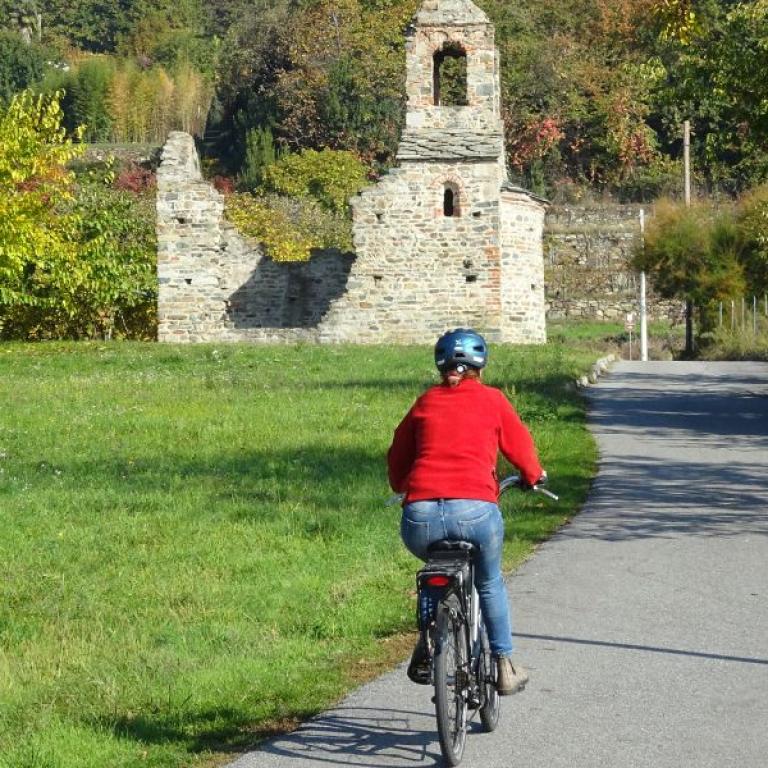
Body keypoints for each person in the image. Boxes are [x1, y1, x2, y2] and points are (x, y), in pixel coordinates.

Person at [387, 328, 546, 695]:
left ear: (440, 366)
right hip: (476, 514)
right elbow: (521, 448)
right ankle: (504, 665)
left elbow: (397, 455)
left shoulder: (424, 402)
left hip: (420, 518)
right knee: (489, 582)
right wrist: (533, 476)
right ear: (481, 365)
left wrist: (401, 485)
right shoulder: (493, 400)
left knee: (432, 570)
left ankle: (429, 640)